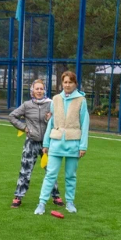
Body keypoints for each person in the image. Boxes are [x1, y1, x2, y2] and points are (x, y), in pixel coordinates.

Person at [34, 71, 88, 215]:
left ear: (75, 83)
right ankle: (42, 203)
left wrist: (83, 146)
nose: (67, 85)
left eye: (70, 82)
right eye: (65, 82)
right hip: (56, 143)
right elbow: (51, 122)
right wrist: (46, 143)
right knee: (50, 174)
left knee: (71, 175)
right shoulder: (56, 99)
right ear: (61, 83)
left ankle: (70, 202)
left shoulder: (81, 100)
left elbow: (85, 124)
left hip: (73, 143)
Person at [8, 79, 62, 209]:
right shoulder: (27, 105)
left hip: (47, 144)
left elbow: (59, 120)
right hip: (31, 143)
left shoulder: (51, 104)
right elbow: (12, 116)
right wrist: (24, 128)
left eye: (41, 88)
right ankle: (18, 197)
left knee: (50, 170)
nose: (39, 91)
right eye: (36, 89)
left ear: (45, 90)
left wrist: (51, 119)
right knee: (25, 170)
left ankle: (56, 196)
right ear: (32, 91)